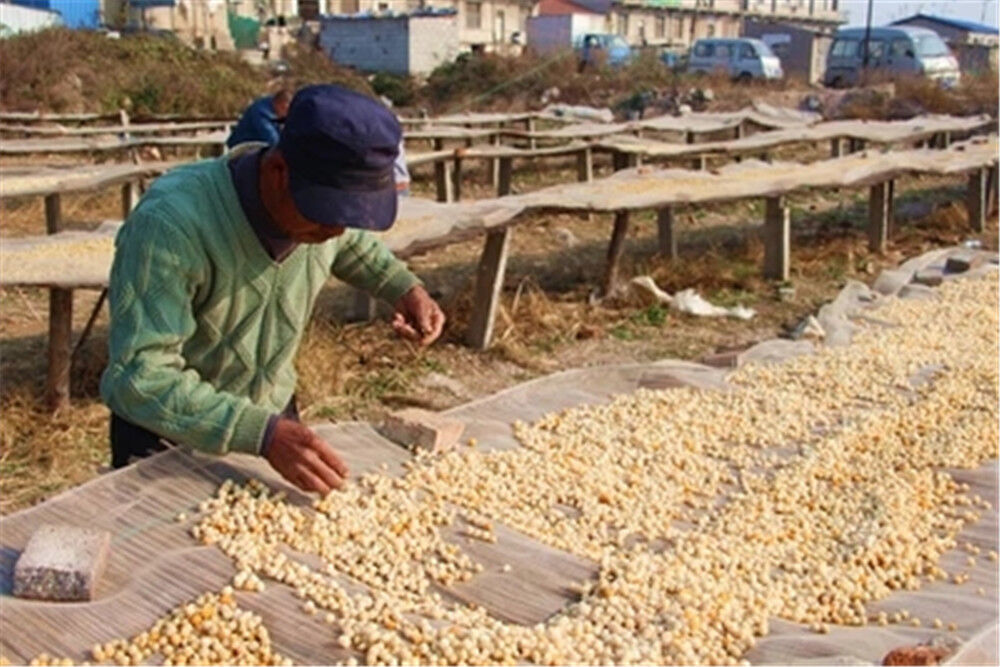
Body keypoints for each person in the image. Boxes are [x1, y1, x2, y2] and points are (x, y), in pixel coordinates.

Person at [101, 85, 445, 495]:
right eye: (324, 216)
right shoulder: (172, 224)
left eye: (345, 217)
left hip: (272, 420)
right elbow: (139, 377)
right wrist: (259, 433)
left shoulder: (319, 217)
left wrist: (403, 287)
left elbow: (352, 244)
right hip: (167, 436)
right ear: (279, 170)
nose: (333, 231)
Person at [226, 89, 292, 149]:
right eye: (285, 109)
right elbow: (272, 139)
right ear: (278, 105)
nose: (286, 114)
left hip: (257, 149)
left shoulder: (274, 106)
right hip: (241, 149)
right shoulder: (261, 112)